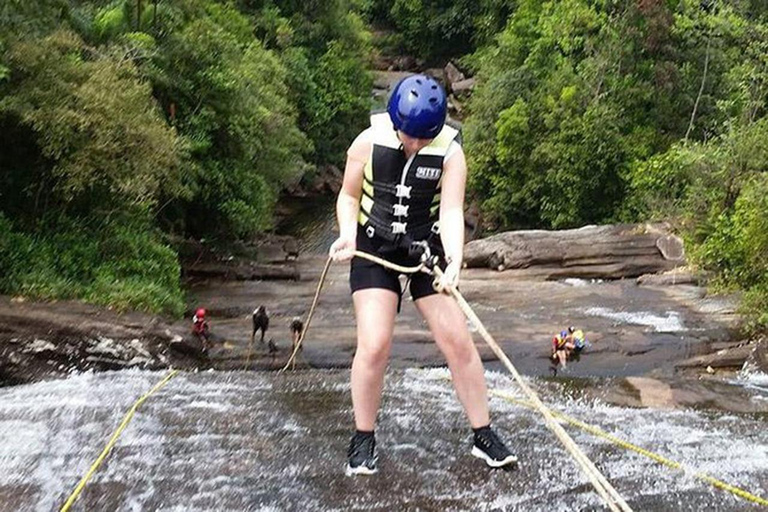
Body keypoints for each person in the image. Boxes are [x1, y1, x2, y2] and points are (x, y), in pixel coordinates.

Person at [329, 74, 517, 476]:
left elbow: (450, 211)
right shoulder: (367, 142)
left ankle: (483, 434)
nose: (414, 144)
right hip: (373, 246)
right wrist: (348, 234)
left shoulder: (450, 153)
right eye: (408, 135)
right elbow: (347, 195)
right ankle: (363, 437)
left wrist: (453, 261)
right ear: (395, 121)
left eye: (422, 137)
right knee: (375, 343)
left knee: (457, 340)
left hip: (424, 249)